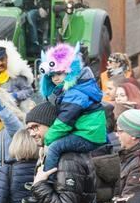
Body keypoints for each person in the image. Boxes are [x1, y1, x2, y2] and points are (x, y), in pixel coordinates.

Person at [38, 43, 108, 171]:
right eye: (52, 75)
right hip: (87, 132)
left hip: (88, 135)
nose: (55, 78)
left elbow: (65, 121)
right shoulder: (73, 89)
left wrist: (46, 139)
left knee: (54, 147)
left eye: (59, 73)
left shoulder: (75, 93)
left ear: (70, 72)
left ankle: (47, 179)